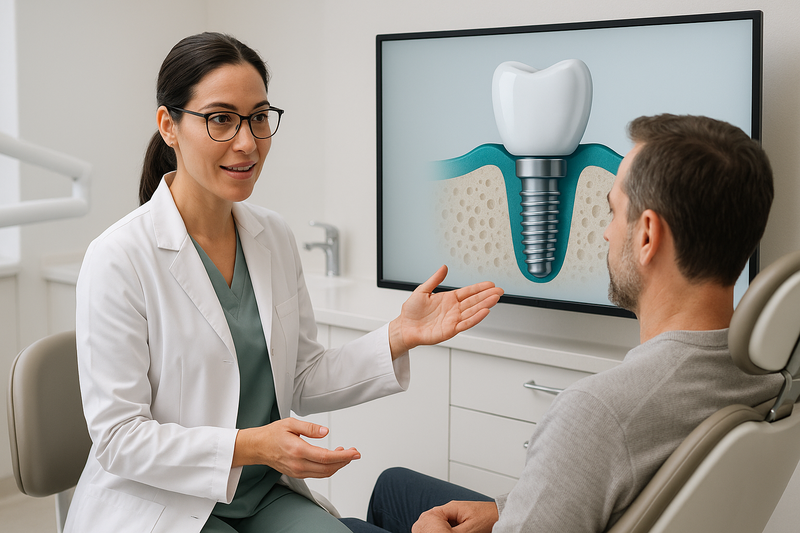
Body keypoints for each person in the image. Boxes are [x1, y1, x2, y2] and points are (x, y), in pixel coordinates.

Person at [64, 32, 503, 533]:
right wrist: (252, 445)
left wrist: (397, 336)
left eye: (258, 117)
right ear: (169, 125)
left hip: (259, 493)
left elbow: (300, 377)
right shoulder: (119, 257)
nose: (247, 142)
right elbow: (120, 438)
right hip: (161, 504)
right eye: (221, 119)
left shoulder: (270, 234)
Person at [341, 114, 783, 533]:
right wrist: (505, 509)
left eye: (614, 212)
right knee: (392, 488)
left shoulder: (597, 414)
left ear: (647, 235)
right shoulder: (767, 380)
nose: (608, 233)